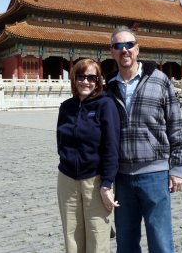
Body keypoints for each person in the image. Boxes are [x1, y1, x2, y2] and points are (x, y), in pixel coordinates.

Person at [105, 27, 182, 253]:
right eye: (118, 46)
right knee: (126, 240)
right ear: (111, 52)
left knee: (160, 239)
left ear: (137, 48)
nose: (124, 51)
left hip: (155, 173)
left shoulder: (160, 80)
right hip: (121, 177)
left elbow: (176, 125)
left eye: (129, 45)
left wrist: (177, 168)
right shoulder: (108, 86)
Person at [56, 58, 120, 253]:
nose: (86, 81)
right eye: (81, 76)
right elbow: (61, 142)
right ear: (74, 79)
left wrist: (107, 184)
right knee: (72, 237)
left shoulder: (105, 105)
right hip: (67, 180)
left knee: (97, 237)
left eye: (91, 77)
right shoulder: (66, 107)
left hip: (95, 181)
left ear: (98, 81)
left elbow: (111, 147)